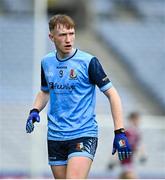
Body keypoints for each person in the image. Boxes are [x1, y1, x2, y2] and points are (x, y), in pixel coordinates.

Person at [26, 14, 132, 179]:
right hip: (55, 136)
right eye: (62, 35)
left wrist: (119, 131)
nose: (68, 39)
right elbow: (45, 90)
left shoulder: (89, 62)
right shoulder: (46, 62)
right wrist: (34, 110)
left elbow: (113, 94)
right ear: (51, 37)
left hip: (83, 133)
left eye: (71, 33)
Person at [108, 112, 147, 179]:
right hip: (124, 163)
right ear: (132, 119)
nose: (138, 122)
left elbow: (137, 147)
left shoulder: (137, 133)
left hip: (130, 163)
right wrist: (113, 161)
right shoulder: (126, 133)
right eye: (137, 119)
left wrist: (142, 155)